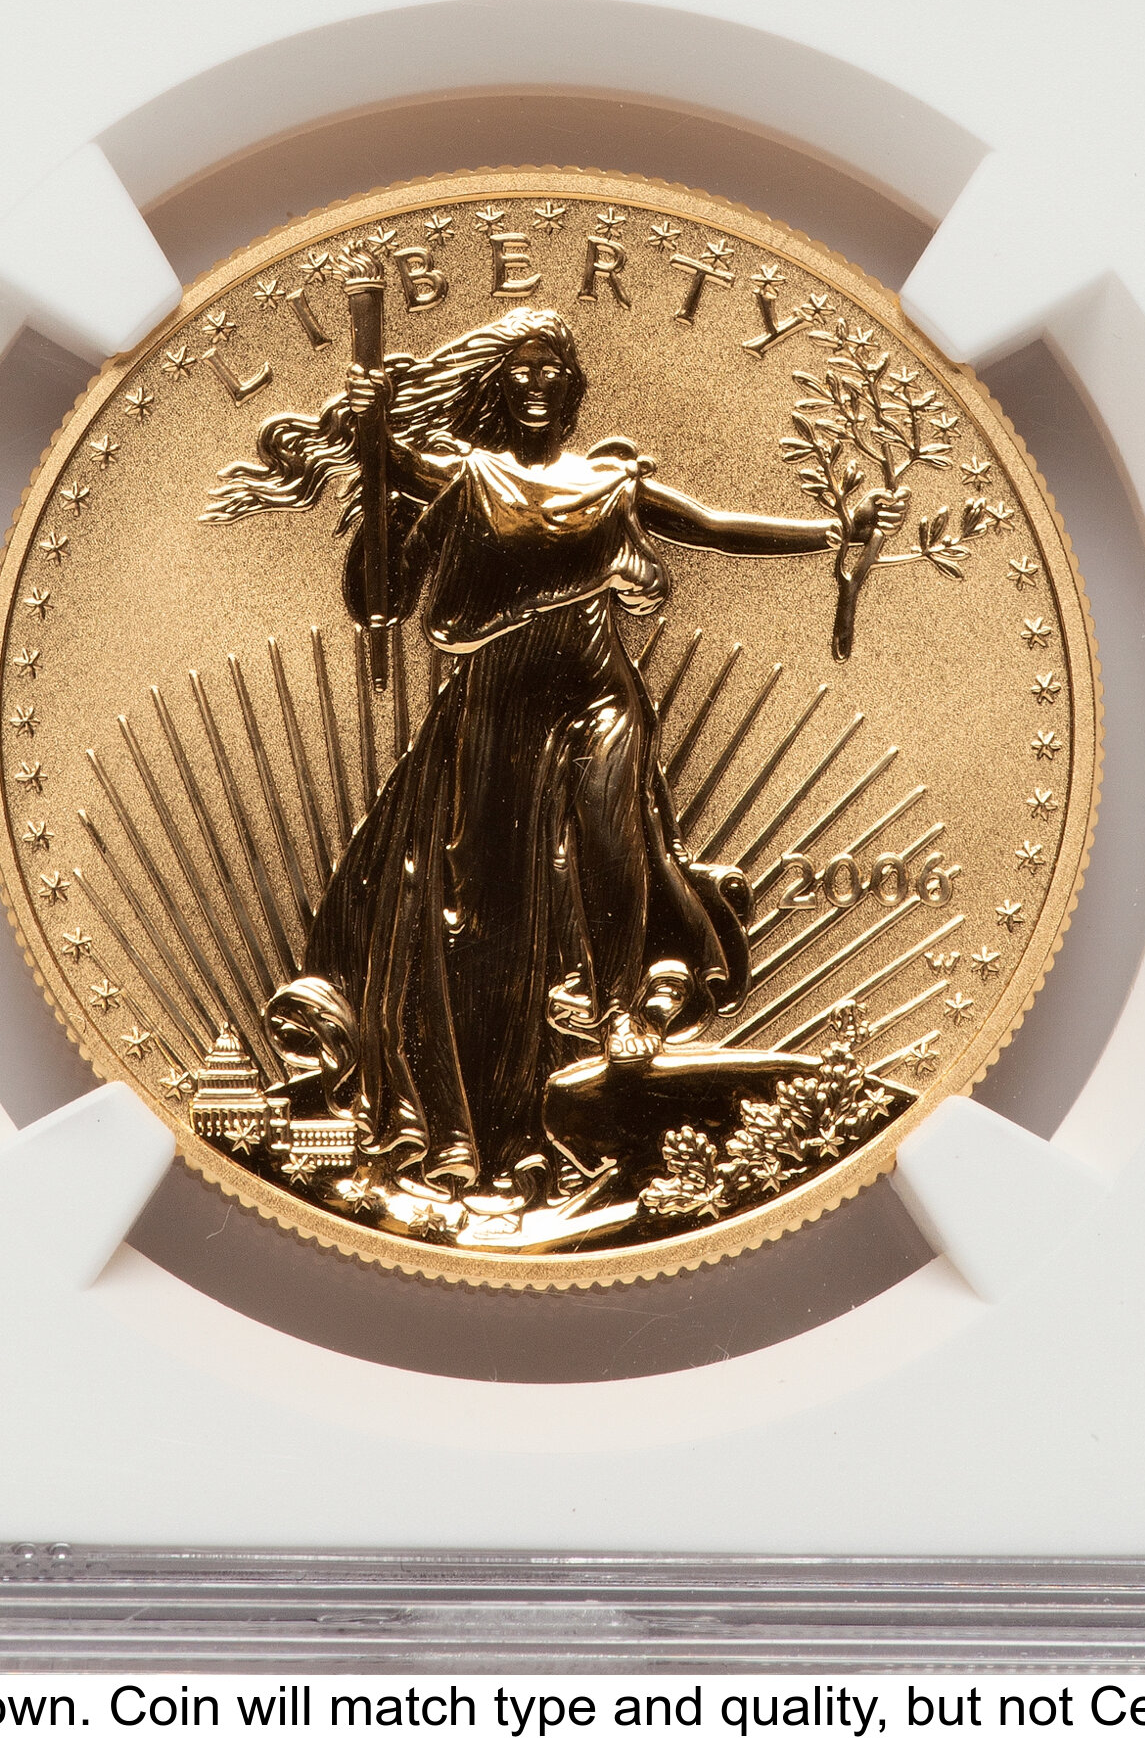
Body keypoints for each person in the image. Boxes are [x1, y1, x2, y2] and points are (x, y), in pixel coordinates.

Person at [208, 307, 877, 1208]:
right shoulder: (467, 474)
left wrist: (834, 536)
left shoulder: (610, 482)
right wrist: (369, 425)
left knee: (612, 839)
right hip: (495, 709)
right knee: (485, 911)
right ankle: (497, 1126)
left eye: (552, 370)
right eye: (520, 369)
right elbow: (394, 501)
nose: (536, 384)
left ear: (574, 389)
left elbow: (714, 526)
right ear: (496, 384)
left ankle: (621, 1009)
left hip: (599, 695)